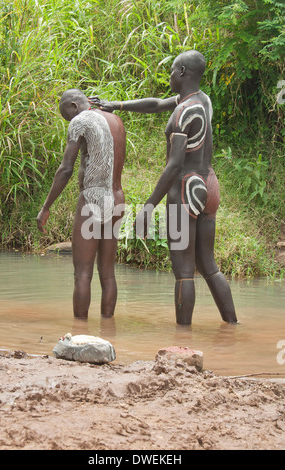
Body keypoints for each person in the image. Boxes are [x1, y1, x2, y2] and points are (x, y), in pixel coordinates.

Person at [90, 50, 238, 325]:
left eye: (171, 70)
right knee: (208, 264)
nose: (169, 75)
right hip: (209, 184)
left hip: (186, 187)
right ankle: (232, 325)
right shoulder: (202, 101)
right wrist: (115, 105)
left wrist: (148, 208)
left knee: (183, 271)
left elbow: (173, 165)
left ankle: (183, 338)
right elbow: (157, 104)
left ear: (182, 72)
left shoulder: (183, 113)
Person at [37, 89, 126, 318]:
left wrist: (46, 207)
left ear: (74, 106)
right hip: (117, 199)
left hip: (93, 199)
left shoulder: (80, 120)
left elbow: (66, 168)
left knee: (83, 273)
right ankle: (107, 330)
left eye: (67, 116)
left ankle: (79, 332)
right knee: (107, 273)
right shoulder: (116, 119)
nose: (69, 121)